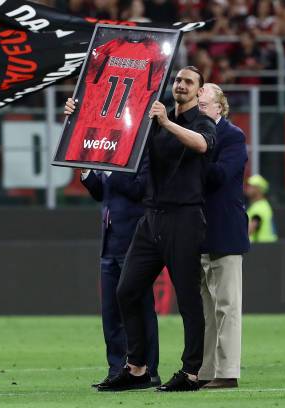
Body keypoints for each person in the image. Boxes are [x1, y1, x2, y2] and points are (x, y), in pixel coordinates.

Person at [99, 66, 215, 392]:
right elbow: (117, 120)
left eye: (188, 82)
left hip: (185, 218)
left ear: (198, 91)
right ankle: (137, 368)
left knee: (188, 299)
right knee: (127, 290)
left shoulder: (201, 122)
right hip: (151, 218)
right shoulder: (155, 117)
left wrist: (167, 123)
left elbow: (203, 146)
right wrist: (77, 114)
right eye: (178, 80)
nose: (180, 84)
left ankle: (191, 372)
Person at [63, 105, 161, 389]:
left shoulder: (141, 149)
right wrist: (86, 168)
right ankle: (117, 368)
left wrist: (112, 164)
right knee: (111, 312)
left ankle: (149, 369)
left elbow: (139, 189)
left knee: (141, 307)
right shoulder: (104, 149)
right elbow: (99, 192)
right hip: (109, 240)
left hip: (135, 240)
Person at [197, 83, 250, 389]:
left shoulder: (232, 136)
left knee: (227, 305)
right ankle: (206, 370)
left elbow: (219, 176)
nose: (200, 109)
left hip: (224, 231)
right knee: (205, 307)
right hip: (198, 231)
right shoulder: (189, 132)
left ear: (220, 107)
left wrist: (195, 151)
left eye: (204, 105)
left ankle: (227, 372)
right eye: (198, 105)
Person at [245, 175, 278, 243]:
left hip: (262, 247)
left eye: (251, 186)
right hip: (266, 247)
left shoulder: (259, 207)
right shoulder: (263, 205)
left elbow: (249, 229)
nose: (248, 188)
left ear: (258, 189)